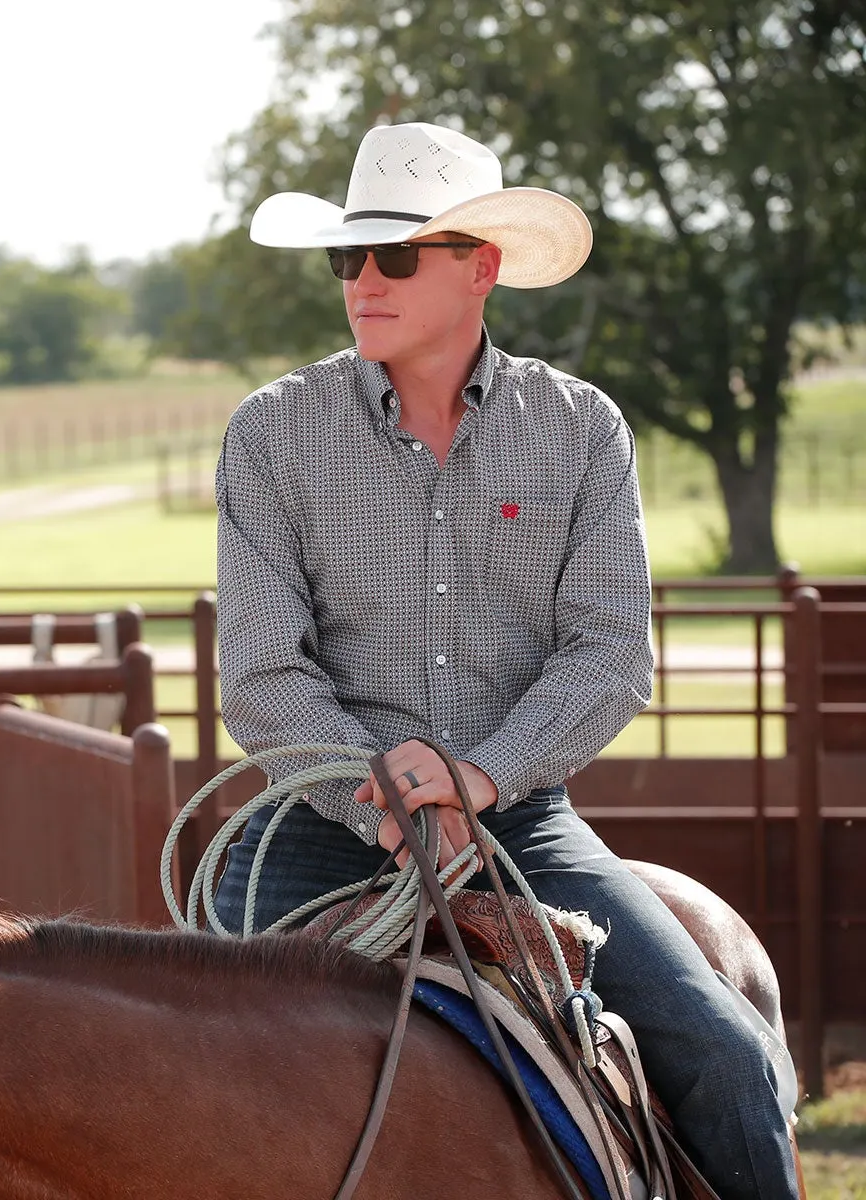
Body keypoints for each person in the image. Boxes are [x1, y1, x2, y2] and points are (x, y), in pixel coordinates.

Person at [210, 121, 797, 1200]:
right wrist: (382, 788)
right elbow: (260, 669)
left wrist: (475, 780)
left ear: (480, 269)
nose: (363, 282)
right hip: (315, 828)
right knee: (196, 1088)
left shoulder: (578, 430)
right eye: (350, 258)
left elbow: (610, 651)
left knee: (730, 1056)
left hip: (519, 817)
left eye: (395, 256)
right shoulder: (273, 433)